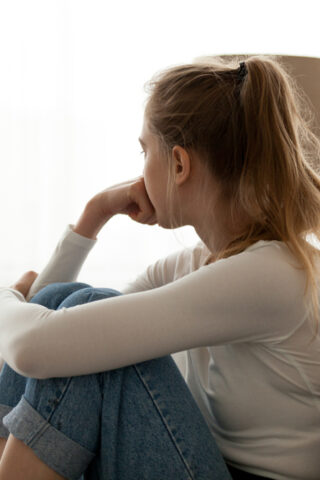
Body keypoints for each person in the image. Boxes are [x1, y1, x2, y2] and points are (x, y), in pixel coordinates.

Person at [0, 54, 319, 480]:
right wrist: (94, 215)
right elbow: (58, 329)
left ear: (180, 164)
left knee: (84, 318)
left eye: (144, 150)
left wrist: (7, 298)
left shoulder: (271, 275)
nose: (140, 168)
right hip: (197, 460)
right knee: (67, 305)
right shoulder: (196, 265)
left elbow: (33, 346)